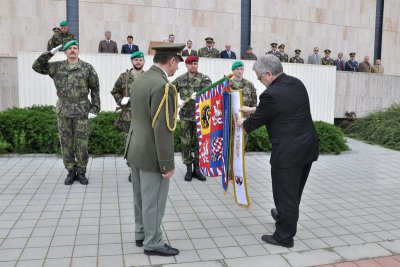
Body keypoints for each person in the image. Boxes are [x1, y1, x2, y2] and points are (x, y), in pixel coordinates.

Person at [236, 55, 319, 248]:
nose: (260, 82)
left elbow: (254, 123)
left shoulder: (270, 94)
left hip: (288, 152)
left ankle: (284, 237)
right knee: (294, 191)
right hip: (307, 147)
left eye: (259, 78)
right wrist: (253, 109)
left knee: (285, 195)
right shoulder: (295, 83)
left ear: (269, 74)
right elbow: (278, 107)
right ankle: (283, 216)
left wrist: (242, 122)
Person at [124, 43, 185, 256]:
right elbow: (163, 128)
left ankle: (141, 233)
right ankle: (153, 242)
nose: (177, 68)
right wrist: (167, 163)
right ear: (171, 61)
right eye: (177, 64)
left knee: (140, 197)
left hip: (135, 148)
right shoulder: (163, 86)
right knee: (154, 200)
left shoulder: (140, 79)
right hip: (152, 152)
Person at [32, 40, 100, 185]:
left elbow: (95, 88)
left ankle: (81, 172)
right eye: (69, 48)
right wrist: (50, 53)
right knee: (66, 143)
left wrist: (95, 108)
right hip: (64, 110)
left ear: (78, 51)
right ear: (65, 52)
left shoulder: (87, 68)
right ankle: (71, 171)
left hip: (82, 110)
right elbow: (36, 66)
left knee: (82, 144)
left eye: (75, 48)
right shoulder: (56, 67)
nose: (73, 50)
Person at [172, 56, 212, 182]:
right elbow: (170, 92)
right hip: (185, 116)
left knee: (200, 144)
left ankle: (197, 169)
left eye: (195, 63)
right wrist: (177, 101)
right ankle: (189, 169)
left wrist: (200, 96)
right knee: (185, 143)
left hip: (201, 117)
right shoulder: (180, 79)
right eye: (191, 64)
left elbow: (210, 94)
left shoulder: (204, 79)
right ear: (186, 65)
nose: (193, 66)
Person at [111, 51, 145, 182]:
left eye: (140, 60)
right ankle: (132, 170)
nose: (138, 62)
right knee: (129, 144)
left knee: (142, 143)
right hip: (127, 117)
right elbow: (114, 91)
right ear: (132, 61)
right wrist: (120, 101)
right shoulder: (124, 77)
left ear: (143, 61)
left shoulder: (148, 76)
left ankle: (142, 169)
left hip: (144, 116)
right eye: (136, 60)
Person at [229, 61, 257, 146]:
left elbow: (254, 102)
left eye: (241, 69)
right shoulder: (227, 84)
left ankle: (241, 159)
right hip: (229, 119)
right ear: (233, 71)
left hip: (244, 119)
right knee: (229, 142)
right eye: (237, 69)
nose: (239, 71)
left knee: (242, 143)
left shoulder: (249, 84)